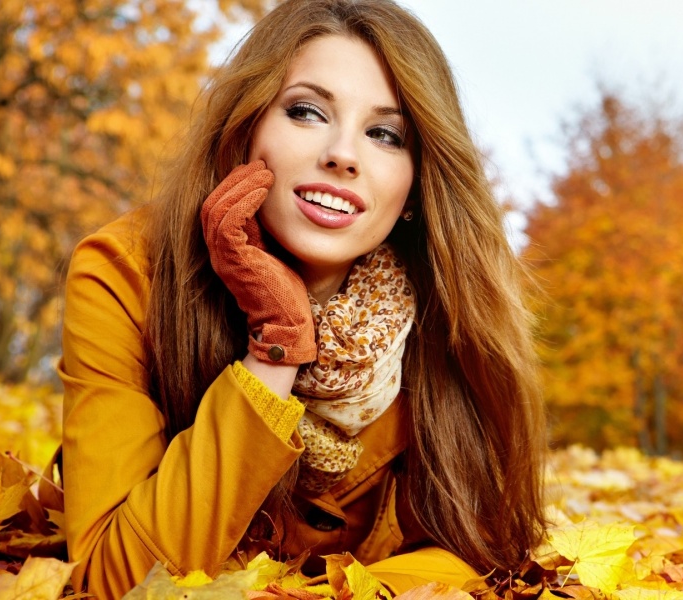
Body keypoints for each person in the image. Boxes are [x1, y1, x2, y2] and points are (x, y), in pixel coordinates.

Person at [56, 0, 547, 597]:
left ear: (415, 187)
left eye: (384, 134)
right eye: (307, 111)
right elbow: (113, 578)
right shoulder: (127, 275)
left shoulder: (449, 314)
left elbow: (476, 550)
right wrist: (275, 349)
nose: (343, 154)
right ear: (245, 132)